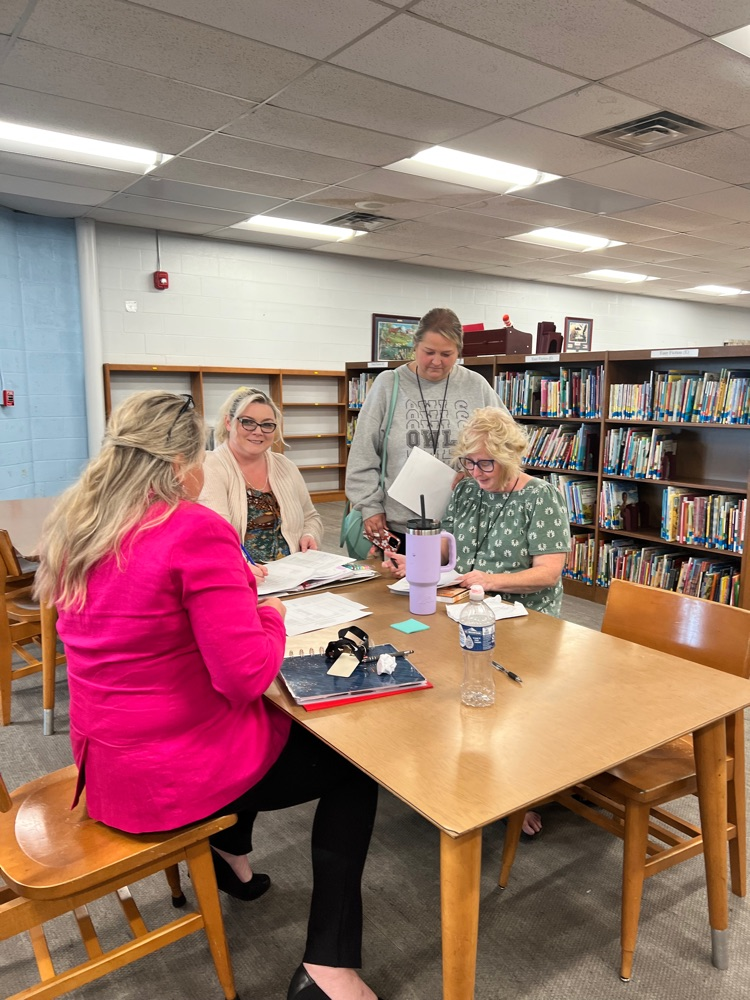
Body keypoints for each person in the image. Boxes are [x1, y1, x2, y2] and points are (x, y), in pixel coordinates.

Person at [34, 391, 382, 1000]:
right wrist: (267, 613)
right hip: (171, 778)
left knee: (264, 730)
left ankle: (230, 854)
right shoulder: (193, 527)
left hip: (105, 768)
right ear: (177, 464)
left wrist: (229, 590)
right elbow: (244, 676)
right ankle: (330, 965)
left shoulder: (80, 525)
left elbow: (143, 625)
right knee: (352, 765)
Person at [387, 406, 571, 838]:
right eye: (469, 461)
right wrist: (415, 561)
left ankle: (519, 792)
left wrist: (493, 580)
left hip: (524, 621)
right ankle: (458, 774)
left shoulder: (540, 496)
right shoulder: (468, 490)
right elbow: (455, 555)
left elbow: (548, 572)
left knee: (508, 710)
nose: (476, 470)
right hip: (464, 609)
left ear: (510, 455)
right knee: (449, 686)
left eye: (486, 462)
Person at [345, 307, 506, 552]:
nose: (437, 361)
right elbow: (363, 455)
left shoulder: (475, 385)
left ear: (459, 352)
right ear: (415, 346)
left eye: (447, 354)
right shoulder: (388, 384)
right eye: (428, 352)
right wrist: (370, 507)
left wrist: (479, 471)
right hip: (400, 525)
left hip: (465, 524)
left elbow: (508, 445)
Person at [200, 386, 323, 568]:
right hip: (240, 577)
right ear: (228, 422)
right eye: (248, 422)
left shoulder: (285, 466)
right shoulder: (209, 466)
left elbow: (311, 517)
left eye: (267, 424)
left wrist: (310, 535)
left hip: (294, 576)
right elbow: (217, 537)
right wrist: (243, 569)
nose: (258, 431)